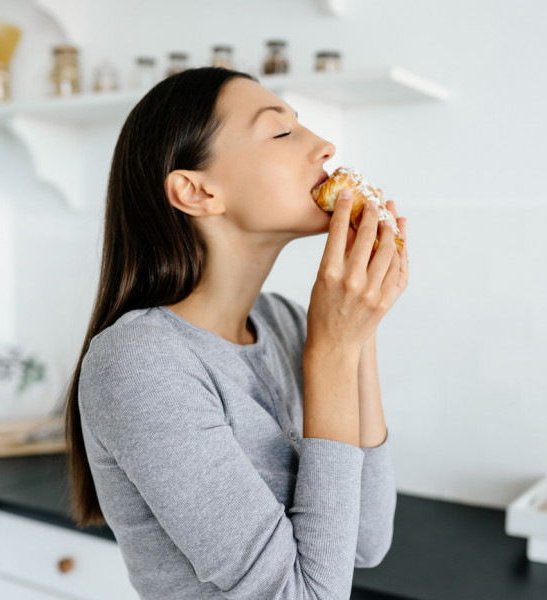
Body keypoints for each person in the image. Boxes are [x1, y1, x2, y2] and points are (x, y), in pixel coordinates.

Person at [63, 66, 409, 599]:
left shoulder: (290, 323)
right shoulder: (138, 362)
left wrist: (360, 324)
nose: (324, 145)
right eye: (281, 132)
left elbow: (366, 543)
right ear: (197, 192)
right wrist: (334, 353)